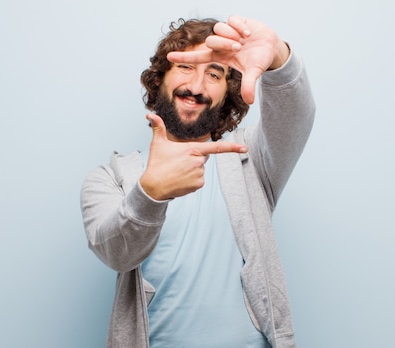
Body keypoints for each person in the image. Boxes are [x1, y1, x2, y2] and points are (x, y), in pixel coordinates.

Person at [81, 15, 315, 348]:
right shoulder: (111, 178)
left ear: (227, 93)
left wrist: (277, 55)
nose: (197, 86)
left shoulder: (251, 158)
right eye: (186, 68)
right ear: (160, 79)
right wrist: (150, 193)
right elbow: (117, 253)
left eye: (214, 74)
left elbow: (295, 116)